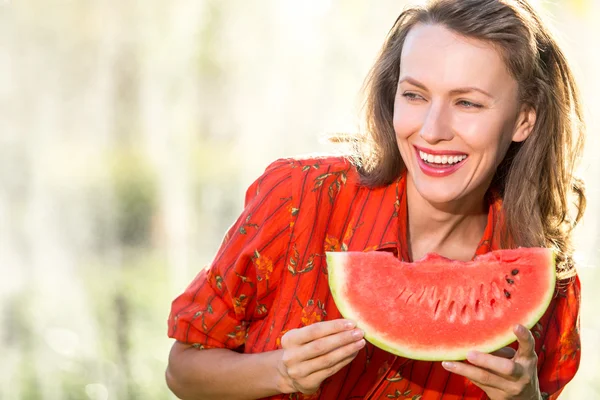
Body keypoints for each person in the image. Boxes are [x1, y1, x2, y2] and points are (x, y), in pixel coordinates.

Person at [165, 0, 586, 398]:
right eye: (415, 95)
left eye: (468, 103)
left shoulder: (547, 280)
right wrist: (280, 370)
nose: (432, 129)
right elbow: (182, 370)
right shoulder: (300, 196)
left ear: (524, 120)